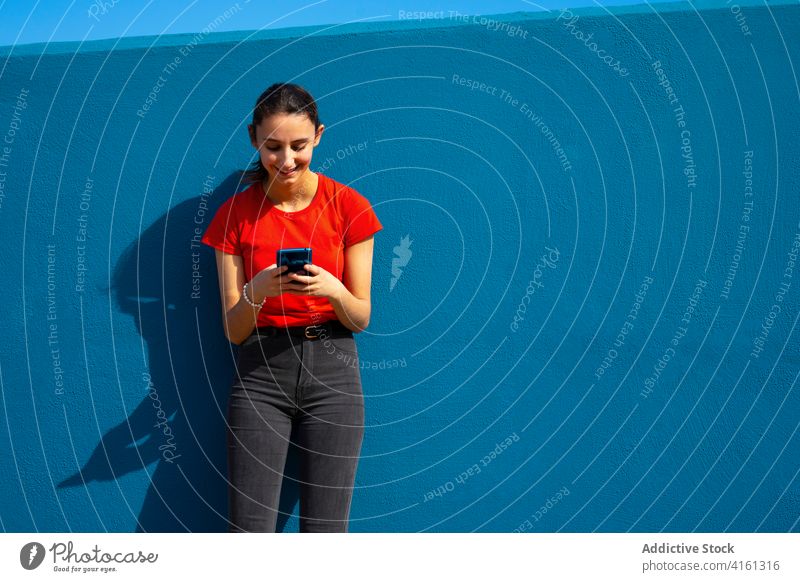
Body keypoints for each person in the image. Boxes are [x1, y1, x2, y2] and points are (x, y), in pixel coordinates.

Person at [201, 83, 382, 532]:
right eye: (273, 147)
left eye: (299, 146)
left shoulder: (350, 207)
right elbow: (233, 330)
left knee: (326, 532)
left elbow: (360, 316)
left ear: (318, 135)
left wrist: (333, 290)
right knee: (249, 531)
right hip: (259, 373)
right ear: (253, 140)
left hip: (334, 369)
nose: (286, 161)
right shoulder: (233, 216)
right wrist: (258, 289)